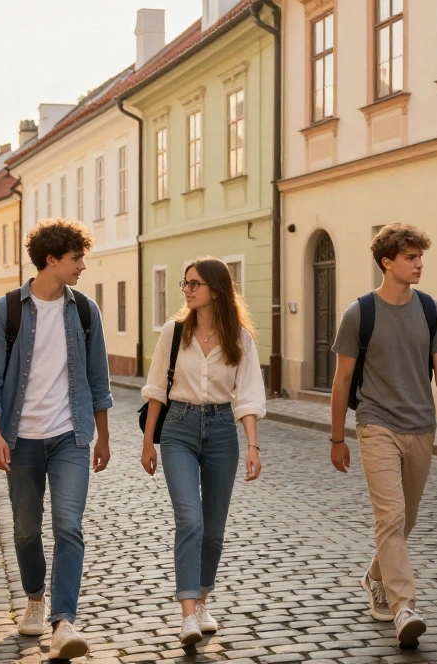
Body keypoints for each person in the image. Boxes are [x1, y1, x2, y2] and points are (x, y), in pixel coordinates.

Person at [0, 218, 112, 657]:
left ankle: (63, 621)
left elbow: (98, 378)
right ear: (51, 260)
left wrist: (102, 436)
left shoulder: (86, 311)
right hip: (21, 439)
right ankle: (35, 599)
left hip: (70, 436)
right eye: (76, 259)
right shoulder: (7, 310)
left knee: (69, 526)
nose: (82, 267)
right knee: (25, 528)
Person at [327, 223, 437, 650]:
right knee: (390, 517)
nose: (419, 263)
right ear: (387, 262)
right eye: (410, 257)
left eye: (420, 256)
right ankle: (405, 605)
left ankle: (374, 577)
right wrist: (337, 438)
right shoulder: (360, 314)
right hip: (376, 424)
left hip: (421, 425)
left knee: (407, 518)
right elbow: (342, 377)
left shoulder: (430, 310)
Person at [140, 257, 266, 648]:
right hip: (178, 429)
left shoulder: (240, 339)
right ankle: (188, 614)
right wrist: (148, 442)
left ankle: (204, 601)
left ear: (216, 289)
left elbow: (247, 395)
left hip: (222, 431)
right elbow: (156, 389)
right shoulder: (173, 332)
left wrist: (253, 447)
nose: (188, 289)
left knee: (213, 528)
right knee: (190, 520)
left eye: (195, 283)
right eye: (185, 283)